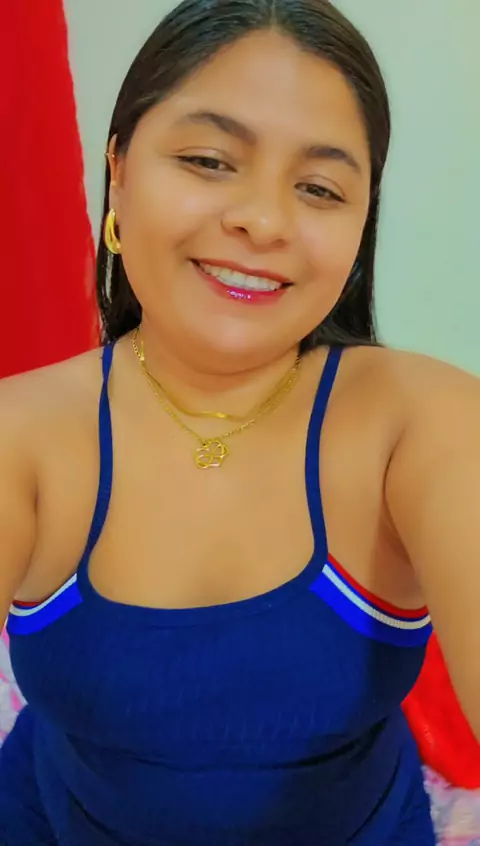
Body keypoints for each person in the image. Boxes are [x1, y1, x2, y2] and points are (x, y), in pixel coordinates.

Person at [0, 0, 478, 842]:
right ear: (118, 168)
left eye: (319, 188)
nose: (262, 219)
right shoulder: (24, 432)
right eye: (209, 160)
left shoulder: (422, 424)